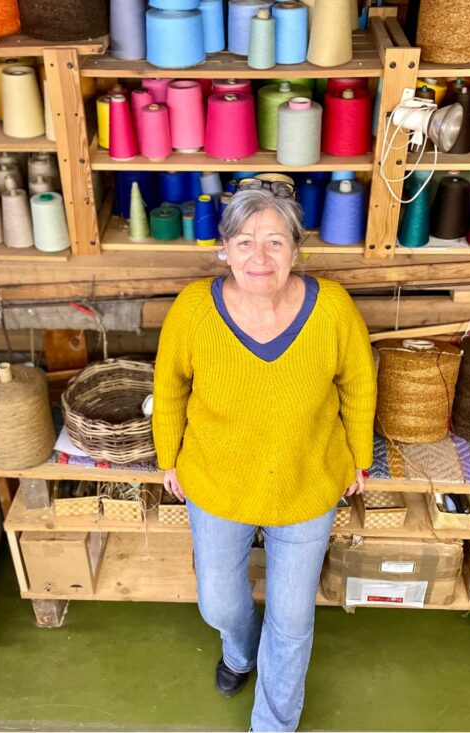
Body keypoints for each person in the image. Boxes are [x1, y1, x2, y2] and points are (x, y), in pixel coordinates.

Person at [152, 188, 377, 732]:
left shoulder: (332, 309)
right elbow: (170, 386)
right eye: (246, 241)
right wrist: (168, 458)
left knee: (293, 618)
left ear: (297, 251)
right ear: (224, 249)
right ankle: (239, 649)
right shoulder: (194, 310)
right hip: (217, 479)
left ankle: (273, 722)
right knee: (221, 605)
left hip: (307, 477)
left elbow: (359, 384)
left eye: (276, 241)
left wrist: (360, 458)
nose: (261, 256)